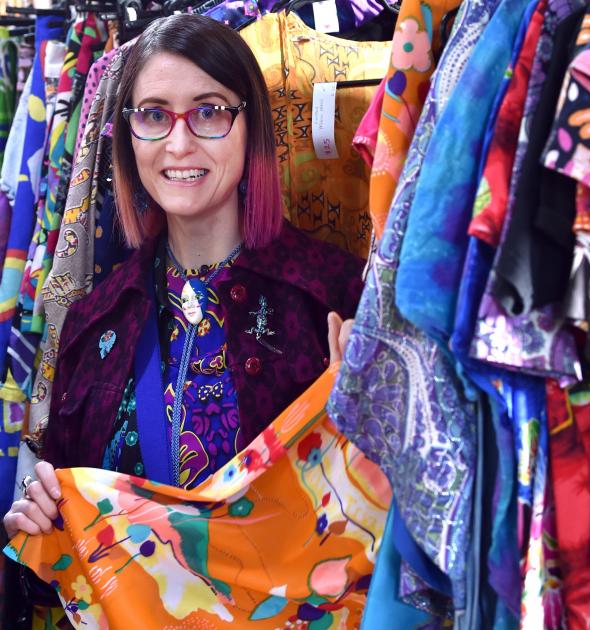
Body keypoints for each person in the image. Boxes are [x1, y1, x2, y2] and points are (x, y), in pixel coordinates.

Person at [4, 13, 362, 558]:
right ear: (128, 133)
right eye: (154, 115)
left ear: (251, 127)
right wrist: (40, 527)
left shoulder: (332, 298)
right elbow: (67, 553)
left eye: (209, 111)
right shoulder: (93, 320)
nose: (178, 143)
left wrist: (368, 413)